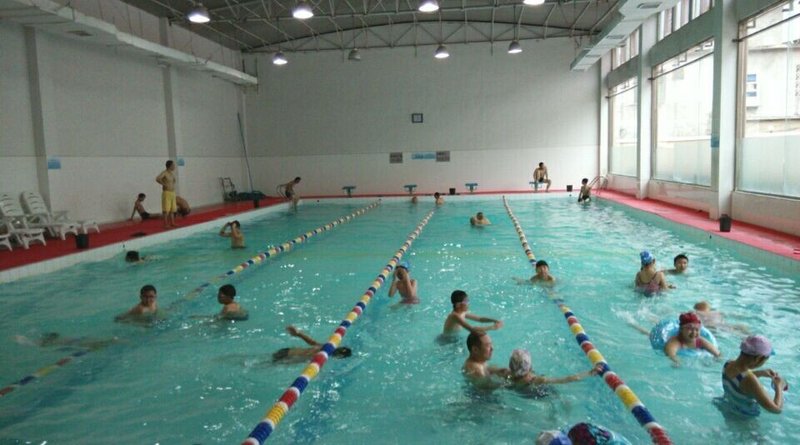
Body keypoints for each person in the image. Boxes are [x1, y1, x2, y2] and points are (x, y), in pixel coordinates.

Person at [716, 335, 786, 417]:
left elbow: (740, 380)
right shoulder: (751, 380)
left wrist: (760, 373)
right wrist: (779, 386)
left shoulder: (728, 364)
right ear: (758, 358)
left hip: (728, 407)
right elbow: (776, 409)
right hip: (743, 419)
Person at [508, 349, 603, 394]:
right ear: (529, 367)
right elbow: (566, 379)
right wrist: (589, 373)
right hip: (542, 395)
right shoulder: (538, 380)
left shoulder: (507, 375)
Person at [272, 325, 352, 363]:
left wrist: (299, 334)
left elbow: (312, 343)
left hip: (288, 351)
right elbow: (312, 343)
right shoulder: (324, 352)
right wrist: (298, 334)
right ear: (339, 356)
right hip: (286, 356)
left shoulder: (326, 349)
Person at [155, 160, 178, 228]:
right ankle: (165, 224)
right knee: (166, 210)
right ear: (170, 166)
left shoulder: (171, 174)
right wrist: (164, 184)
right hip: (167, 193)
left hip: (172, 193)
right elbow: (158, 178)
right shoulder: (164, 173)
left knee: (172, 209)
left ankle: (172, 223)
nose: (174, 166)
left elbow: (173, 181)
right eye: (173, 165)